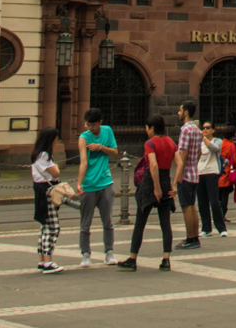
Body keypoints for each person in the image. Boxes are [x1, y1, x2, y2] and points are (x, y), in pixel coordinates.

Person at [117, 114, 177, 272]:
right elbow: (180, 162)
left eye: (147, 127)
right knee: (165, 223)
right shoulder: (171, 142)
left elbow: (153, 165)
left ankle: (132, 258)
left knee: (140, 222)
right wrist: (174, 185)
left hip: (150, 182)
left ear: (151, 128)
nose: (146, 130)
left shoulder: (150, 143)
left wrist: (156, 187)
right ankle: (166, 259)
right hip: (166, 181)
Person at [74, 108, 117, 266]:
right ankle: (85, 254)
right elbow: (84, 161)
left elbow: (114, 152)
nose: (90, 128)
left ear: (100, 122)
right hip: (89, 185)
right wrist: (79, 183)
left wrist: (100, 147)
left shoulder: (107, 131)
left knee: (108, 221)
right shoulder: (83, 138)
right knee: (85, 223)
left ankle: (109, 252)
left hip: (106, 183)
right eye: (87, 124)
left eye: (93, 125)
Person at [30, 127, 64, 273]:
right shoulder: (45, 155)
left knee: (45, 226)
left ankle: (42, 260)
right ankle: (48, 262)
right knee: (53, 227)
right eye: (55, 138)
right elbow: (56, 172)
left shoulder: (37, 154)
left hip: (40, 190)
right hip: (48, 191)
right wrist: (56, 166)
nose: (56, 141)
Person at [175, 102, 203, 250]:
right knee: (192, 206)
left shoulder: (185, 130)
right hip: (194, 172)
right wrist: (193, 164)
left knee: (186, 206)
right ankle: (195, 238)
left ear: (186, 112)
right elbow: (198, 152)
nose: (178, 113)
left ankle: (190, 238)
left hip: (186, 174)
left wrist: (179, 172)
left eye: (180, 111)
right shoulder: (197, 130)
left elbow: (183, 152)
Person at [195, 121, 226, 239]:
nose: (205, 130)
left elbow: (214, 148)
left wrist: (204, 139)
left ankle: (221, 228)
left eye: (208, 128)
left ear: (213, 130)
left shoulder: (217, 140)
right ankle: (206, 228)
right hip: (200, 172)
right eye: (203, 128)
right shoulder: (199, 142)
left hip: (212, 172)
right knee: (202, 202)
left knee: (214, 202)